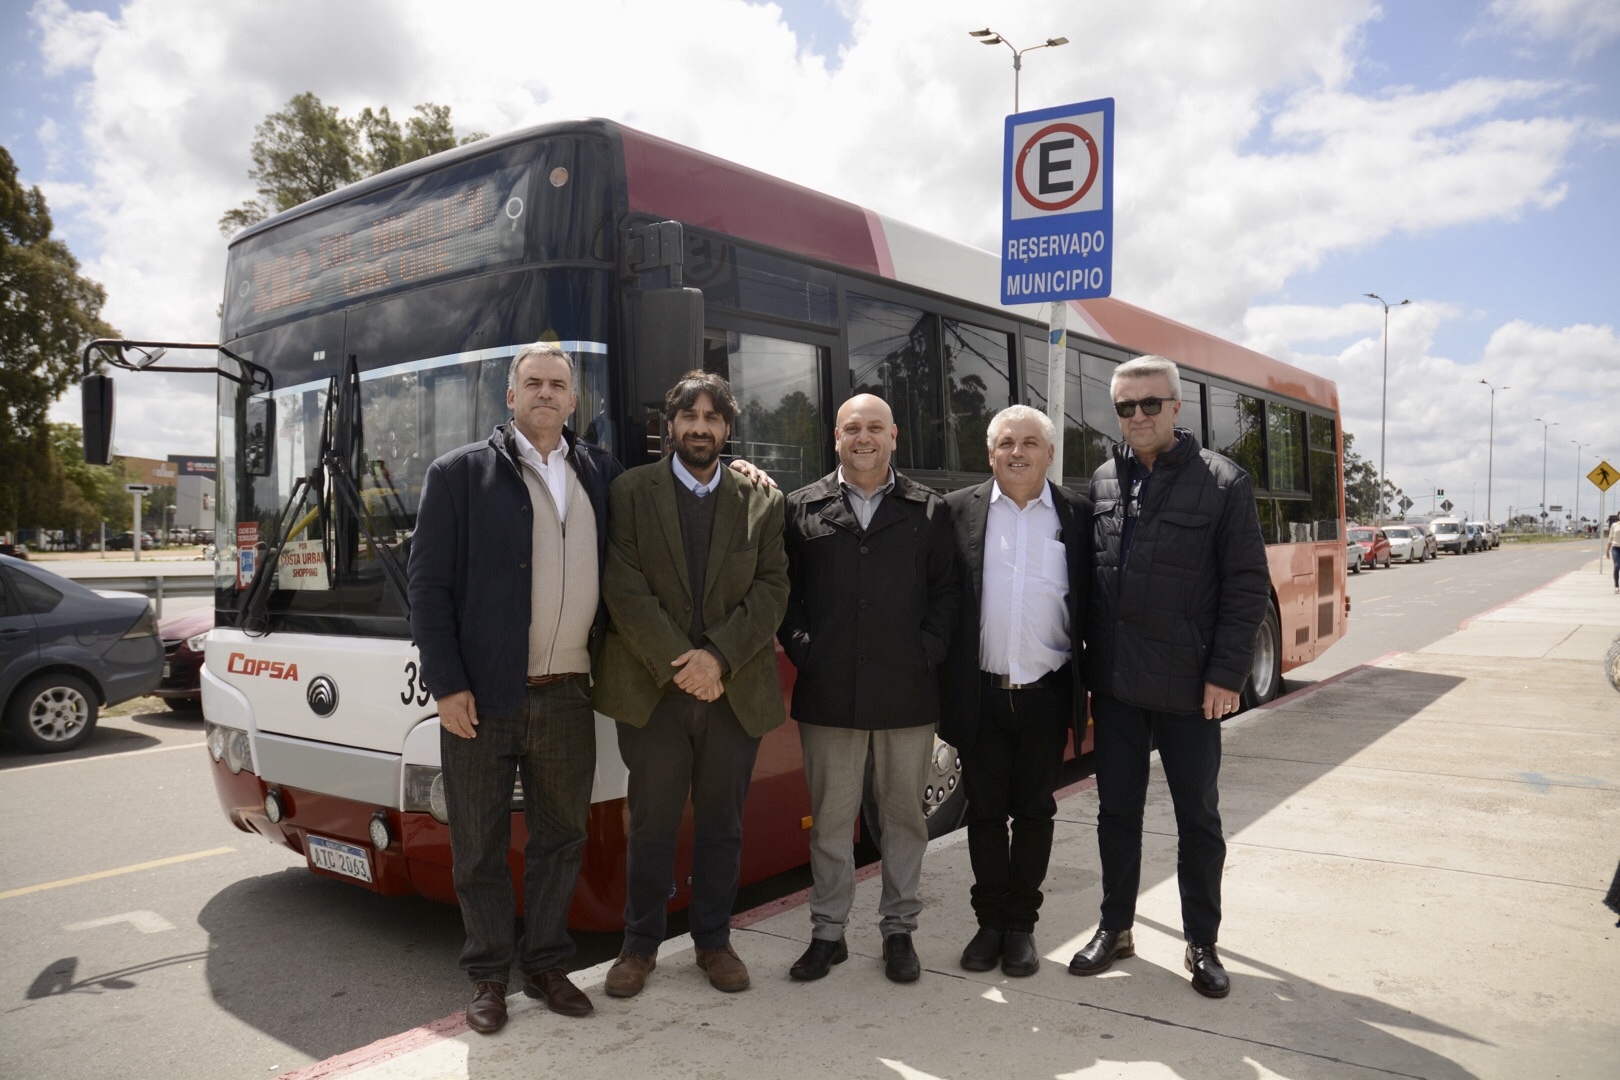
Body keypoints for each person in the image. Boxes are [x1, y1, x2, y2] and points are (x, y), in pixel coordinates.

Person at [408, 341, 621, 1034]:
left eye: (558, 383)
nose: (546, 393)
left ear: (574, 398)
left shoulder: (601, 473)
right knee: (479, 845)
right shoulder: (460, 475)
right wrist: (447, 684)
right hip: (482, 696)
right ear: (510, 395)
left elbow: (665, 502)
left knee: (561, 838)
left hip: (568, 692)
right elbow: (428, 588)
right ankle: (488, 977)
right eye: (533, 382)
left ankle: (548, 964)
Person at [1068, 355, 1270, 1000]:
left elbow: (1245, 588)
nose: (1137, 417)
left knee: (1198, 821)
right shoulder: (1103, 479)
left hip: (1190, 691)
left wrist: (1225, 675)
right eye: (1125, 407)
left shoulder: (1223, 482)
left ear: (1177, 407)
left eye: (1149, 404)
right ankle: (1115, 928)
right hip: (1120, 686)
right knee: (1116, 814)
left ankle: (1202, 943)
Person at [594, 371, 790, 998]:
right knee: (651, 822)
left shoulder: (761, 500)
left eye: (712, 417)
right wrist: (686, 663)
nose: (700, 427)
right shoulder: (628, 493)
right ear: (668, 426)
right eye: (689, 416)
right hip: (653, 691)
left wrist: (720, 661)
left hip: (733, 693)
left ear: (727, 429)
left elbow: (772, 590)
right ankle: (638, 945)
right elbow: (623, 587)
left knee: (722, 824)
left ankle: (713, 941)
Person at [778, 393, 957, 984]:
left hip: (907, 694)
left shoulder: (928, 510)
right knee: (830, 821)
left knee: (903, 818)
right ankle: (828, 935)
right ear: (835, 437)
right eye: (852, 428)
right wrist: (806, 649)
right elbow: (785, 595)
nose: (863, 437)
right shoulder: (801, 507)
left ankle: (899, 932)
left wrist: (924, 654)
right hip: (829, 693)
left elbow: (947, 598)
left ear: (894, 436)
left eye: (874, 428)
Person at [941, 405, 1092, 978]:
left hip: (1046, 694)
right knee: (983, 813)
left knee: (1034, 811)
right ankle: (989, 924)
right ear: (990, 453)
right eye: (1007, 443)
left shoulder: (1076, 515)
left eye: (1031, 442)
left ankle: (1022, 926)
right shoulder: (958, 511)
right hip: (979, 693)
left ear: (1049, 454)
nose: (1019, 452)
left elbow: (1091, 609)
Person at [1607, 514, 1620, 593]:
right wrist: (1607, 550)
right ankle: (1616, 586)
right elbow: (1610, 537)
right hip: (1615, 548)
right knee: (1617, 566)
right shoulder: (1614, 525)